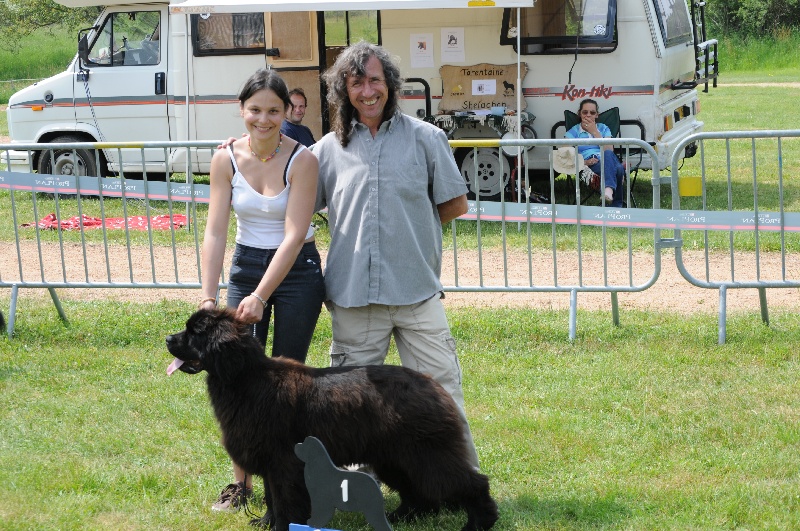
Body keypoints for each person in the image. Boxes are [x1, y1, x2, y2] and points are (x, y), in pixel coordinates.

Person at [313, 41, 481, 468]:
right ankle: (355, 487)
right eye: (356, 83)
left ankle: (460, 479)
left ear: (390, 83)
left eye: (375, 80)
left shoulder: (427, 138)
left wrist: (411, 232)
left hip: (416, 292)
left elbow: (454, 204)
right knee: (349, 405)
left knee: (442, 392)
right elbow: (296, 204)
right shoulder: (326, 151)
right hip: (354, 298)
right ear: (343, 90)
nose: (367, 91)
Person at [199, 68, 325, 512]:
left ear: (287, 112)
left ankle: (288, 486)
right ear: (241, 110)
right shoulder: (224, 159)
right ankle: (241, 485)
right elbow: (215, 231)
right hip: (246, 266)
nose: (264, 119)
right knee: (235, 378)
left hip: (297, 272)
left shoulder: (303, 160)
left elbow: (293, 235)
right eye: (255, 110)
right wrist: (208, 298)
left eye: (274, 111)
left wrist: (261, 295)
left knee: (288, 387)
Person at [565, 98, 626, 207]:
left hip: (607, 157)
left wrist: (594, 131)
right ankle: (615, 204)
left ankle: (608, 190)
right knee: (619, 169)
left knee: (607, 154)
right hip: (592, 163)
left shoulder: (603, 128)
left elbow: (609, 149)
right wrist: (583, 162)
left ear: (597, 115)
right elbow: (565, 153)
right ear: (579, 114)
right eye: (585, 112)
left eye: (592, 113)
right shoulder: (574, 131)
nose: (588, 115)